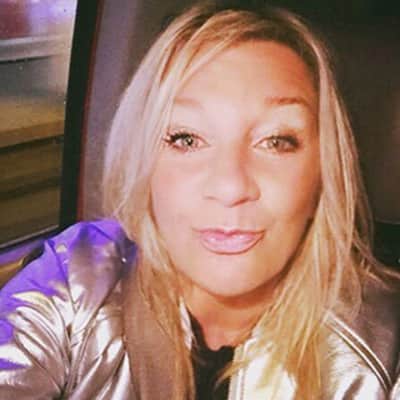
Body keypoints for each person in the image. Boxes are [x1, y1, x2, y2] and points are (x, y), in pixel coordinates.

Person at [0, 1, 399, 399]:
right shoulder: (75, 280)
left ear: (323, 175)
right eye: (186, 139)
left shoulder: (385, 354)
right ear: (144, 165)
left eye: (276, 141)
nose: (230, 187)